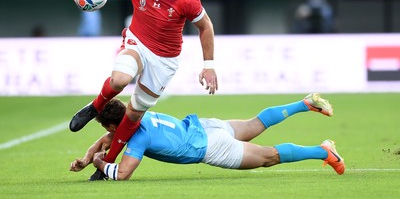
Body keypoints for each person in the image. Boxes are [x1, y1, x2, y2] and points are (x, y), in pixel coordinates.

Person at [69, 0, 218, 178]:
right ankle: (94, 108)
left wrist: (208, 65)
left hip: (165, 60)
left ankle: (107, 164)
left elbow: (205, 26)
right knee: (119, 80)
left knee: (134, 113)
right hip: (137, 42)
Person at [70, 93, 345, 181]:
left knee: (268, 157)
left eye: (105, 128)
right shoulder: (137, 112)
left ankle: (325, 151)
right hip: (205, 126)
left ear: (111, 125)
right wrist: (86, 157)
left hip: (210, 146)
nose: (106, 135)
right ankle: (305, 103)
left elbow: (123, 173)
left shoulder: (137, 136)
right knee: (255, 123)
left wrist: (99, 164)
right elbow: (108, 142)